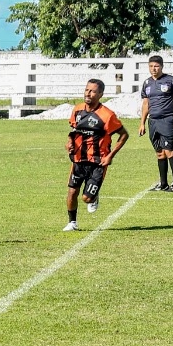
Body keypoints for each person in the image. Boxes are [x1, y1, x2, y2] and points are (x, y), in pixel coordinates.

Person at [64, 78, 129, 231]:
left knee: (86, 198)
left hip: (98, 162)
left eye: (93, 91)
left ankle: (93, 196)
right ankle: (72, 223)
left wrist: (110, 156)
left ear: (100, 94)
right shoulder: (77, 110)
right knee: (72, 191)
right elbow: (74, 130)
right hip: (79, 159)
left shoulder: (107, 115)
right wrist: (69, 142)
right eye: (87, 90)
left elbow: (124, 134)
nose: (88, 93)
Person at [139, 55, 173, 191]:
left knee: (169, 150)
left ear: (161, 66)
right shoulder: (147, 83)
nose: (153, 69)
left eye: (156, 66)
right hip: (153, 121)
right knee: (159, 152)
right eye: (151, 66)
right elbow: (145, 104)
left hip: (167, 119)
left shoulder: (171, 80)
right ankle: (163, 183)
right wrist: (142, 123)